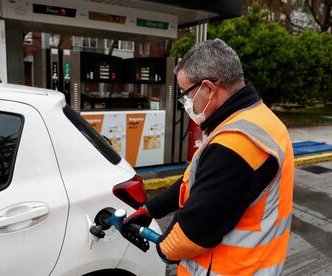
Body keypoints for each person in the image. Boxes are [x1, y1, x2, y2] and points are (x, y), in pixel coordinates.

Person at [123, 39, 294, 275]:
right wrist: (151, 209)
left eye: (186, 94)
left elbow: (193, 233)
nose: (186, 104)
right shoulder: (258, 119)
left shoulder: (235, 145)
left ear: (208, 88)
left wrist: (164, 248)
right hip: (256, 261)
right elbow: (194, 181)